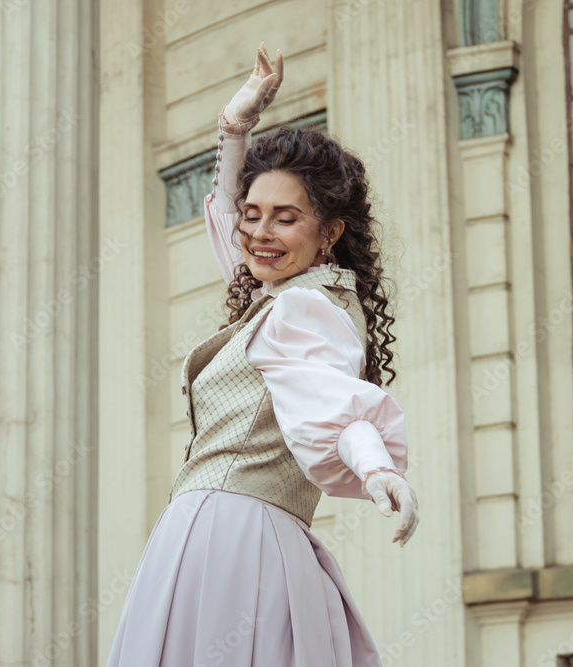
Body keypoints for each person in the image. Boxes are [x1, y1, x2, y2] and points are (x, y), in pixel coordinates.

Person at [105, 43, 420, 667]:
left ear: (329, 232)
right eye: (255, 216)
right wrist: (235, 127)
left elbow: (332, 403)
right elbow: (229, 221)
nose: (258, 233)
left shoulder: (305, 309)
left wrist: (379, 468)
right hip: (219, 531)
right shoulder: (276, 295)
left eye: (285, 218)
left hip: (231, 537)